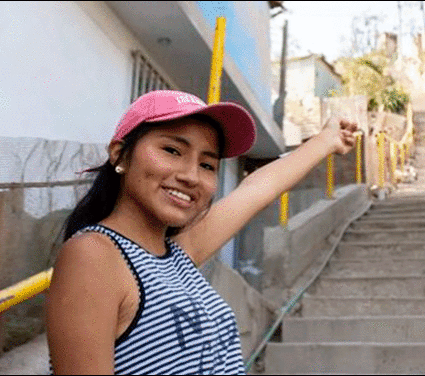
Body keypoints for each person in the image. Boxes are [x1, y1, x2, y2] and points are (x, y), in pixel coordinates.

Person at [45, 89, 358, 375]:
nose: (191, 176)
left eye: (208, 165)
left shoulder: (177, 256)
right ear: (120, 153)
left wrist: (326, 140)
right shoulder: (95, 255)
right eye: (172, 150)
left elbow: (260, 187)